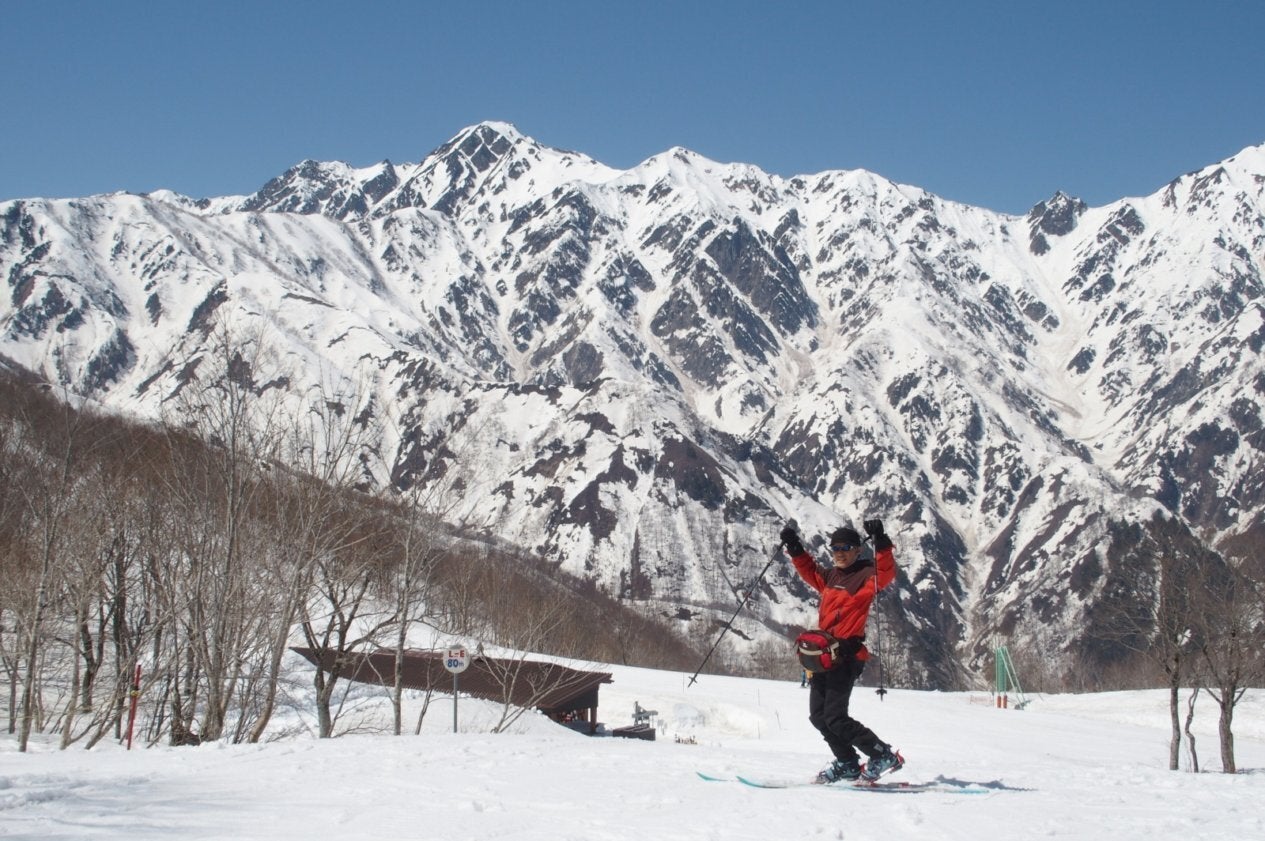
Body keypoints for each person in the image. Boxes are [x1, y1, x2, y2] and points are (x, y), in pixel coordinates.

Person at [781, 519, 903, 784]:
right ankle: (847, 763)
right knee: (818, 716)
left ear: (858, 550)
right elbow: (809, 570)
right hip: (823, 656)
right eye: (835, 548)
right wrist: (794, 547)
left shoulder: (866, 576)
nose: (840, 552)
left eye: (846, 548)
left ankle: (882, 754)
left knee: (836, 718)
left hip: (847, 657)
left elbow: (886, 572)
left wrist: (881, 541)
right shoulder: (830, 577)